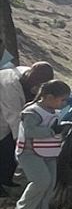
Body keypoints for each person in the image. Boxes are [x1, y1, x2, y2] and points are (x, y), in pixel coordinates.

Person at [14, 79, 70, 209]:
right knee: (41, 181)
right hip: (29, 153)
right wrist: (52, 131)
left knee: (49, 183)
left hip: (48, 153)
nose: (64, 103)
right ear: (50, 97)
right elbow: (30, 131)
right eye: (62, 100)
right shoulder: (32, 112)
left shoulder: (52, 110)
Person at [0, 61, 54, 191]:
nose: (36, 89)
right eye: (36, 86)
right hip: (5, 113)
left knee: (8, 149)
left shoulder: (31, 73)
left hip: (9, 113)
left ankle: (6, 178)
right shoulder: (10, 85)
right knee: (4, 148)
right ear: (31, 80)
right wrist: (23, 140)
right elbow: (13, 116)